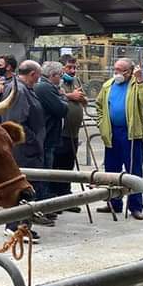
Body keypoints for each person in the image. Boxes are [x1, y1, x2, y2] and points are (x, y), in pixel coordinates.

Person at [95, 58, 143, 220]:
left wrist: (140, 79)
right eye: (116, 69)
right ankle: (114, 204)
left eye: (121, 70)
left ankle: (136, 206)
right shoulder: (108, 85)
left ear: (129, 71)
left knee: (134, 171)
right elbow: (99, 105)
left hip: (131, 135)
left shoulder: (136, 85)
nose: (117, 72)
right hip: (112, 134)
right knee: (111, 171)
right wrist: (101, 123)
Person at [4, 60, 45, 239]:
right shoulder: (19, 91)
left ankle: (19, 224)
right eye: (38, 75)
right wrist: (33, 141)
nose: (38, 79)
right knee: (25, 187)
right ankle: (18, 226)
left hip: (27, 147)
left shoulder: (22, 88)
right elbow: (17, 122)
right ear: (33, 74)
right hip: (24, 150)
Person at [53, 54, 87, 212]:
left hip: (74, 133)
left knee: (68, 166)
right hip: (61, 132)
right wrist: (70, 96)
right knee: (57, 167)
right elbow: (53, 97)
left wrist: (81, 99)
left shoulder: (76, 81)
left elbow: (83, 99)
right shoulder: (56, 81)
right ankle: (54, 200)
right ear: (61, 68)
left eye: (75, 67)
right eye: (69, 67)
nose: (73, 70)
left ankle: (66, 197)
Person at [35, 62, 70, 206]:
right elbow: (60, 109)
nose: (62, 78)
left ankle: (47, 200)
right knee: (44, 172)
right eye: (60, 75)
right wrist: (64, 98)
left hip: (50, 137)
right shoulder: (45, 88)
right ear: (52, 75)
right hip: (46, 138)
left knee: (49, 170)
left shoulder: (49, 87)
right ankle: (42, 204)